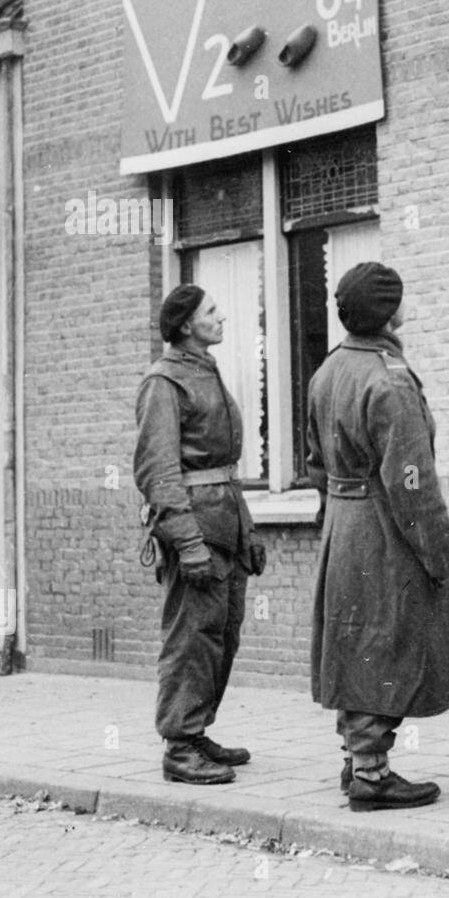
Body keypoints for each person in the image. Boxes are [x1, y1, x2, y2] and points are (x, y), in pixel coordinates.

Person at [307, 262, 449, 811]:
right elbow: (412, 483)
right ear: (388, 312)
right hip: (383, 528)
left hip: (341, 522)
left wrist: (338, 512)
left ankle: (356, 757)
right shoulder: (389, 378)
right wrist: (443, 553)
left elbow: (314, 464)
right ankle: (372, 776)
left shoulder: (327, 372)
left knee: (355, 638)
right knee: (390, 639)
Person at [135, 284, 265, 785]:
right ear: (187, 324)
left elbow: (226, 470)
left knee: (221, 636)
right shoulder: (163, 382)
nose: (222, 316)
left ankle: (197, 730)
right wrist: (187, 543)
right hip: (196, 529)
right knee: (191, 639)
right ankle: (179, 746)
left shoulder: (204, 372)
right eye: (212, 310)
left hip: (224, 524)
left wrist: (247, 529)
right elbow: (158, 472)